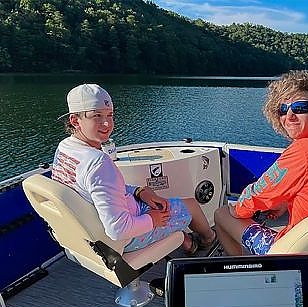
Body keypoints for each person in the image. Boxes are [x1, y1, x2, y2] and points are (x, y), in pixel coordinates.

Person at [52, 83, 216, 254]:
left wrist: (139, 192)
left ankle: (188, 242)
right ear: (75, 120)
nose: (107, 123)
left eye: (110, 115)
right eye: (96, 116)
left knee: (164, 206)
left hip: (92, 235)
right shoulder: (97, 163)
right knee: (189, 205)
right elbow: (118, 230)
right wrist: (152, 220)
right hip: (126, 238)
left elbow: (98, 191)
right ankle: (209, 239)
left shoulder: (65, 148)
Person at [214, 70, 308, 256]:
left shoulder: (304, 151)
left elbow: (256, 195)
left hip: (299, 254)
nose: (289, 116)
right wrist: (284, 202)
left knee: (222, 214)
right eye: (283, 109)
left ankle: (240, 269)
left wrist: (238, 210)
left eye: (300, 108)